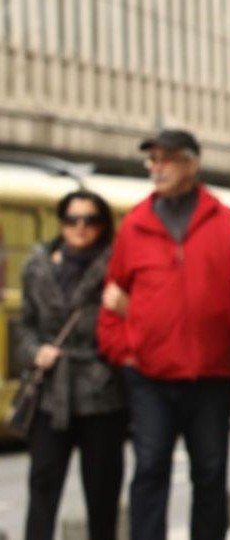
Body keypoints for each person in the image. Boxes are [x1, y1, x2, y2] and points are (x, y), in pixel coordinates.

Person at [97, 129, 230, 540]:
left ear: (192, 165)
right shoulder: (135, 225)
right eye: (152, 161)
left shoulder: (226, 223)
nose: (157, 168)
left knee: (210, 472)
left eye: (167, 159)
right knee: (150, 468)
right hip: (149, 374)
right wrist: (123, 350)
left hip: (210, 371)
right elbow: (112, 296)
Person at [19, 191, 126, 540]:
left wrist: (125, 307)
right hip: (51, 393)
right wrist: (36, 351)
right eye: (72, 219)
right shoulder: (37, 267)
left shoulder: (117, 267)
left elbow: (138, 324)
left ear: (103, 225)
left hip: (102, 392)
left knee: (102, 492)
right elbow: (26, 325)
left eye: (90, 220)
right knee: (43, 485)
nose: (80, 227)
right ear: (61, 223)